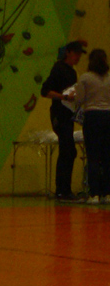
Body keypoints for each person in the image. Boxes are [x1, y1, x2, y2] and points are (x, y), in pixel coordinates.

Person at [41, 40, 85, 201]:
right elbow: (45, 91)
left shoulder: (72, 72)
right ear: (68, 53)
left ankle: (65, 189)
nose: (78, 57)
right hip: (59, 113)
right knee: (67, 150)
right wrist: (63, 97)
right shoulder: (59, 68)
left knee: (69, 151)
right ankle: (61, 189)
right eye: (76, 54)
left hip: (68, 114)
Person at [74, 48, 110, 204]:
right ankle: (107, 194)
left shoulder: (85, 78)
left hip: (92, 116)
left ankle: (94, 194)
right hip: (108, 116)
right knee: (107, 156)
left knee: (93, 156)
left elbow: (79, 99)